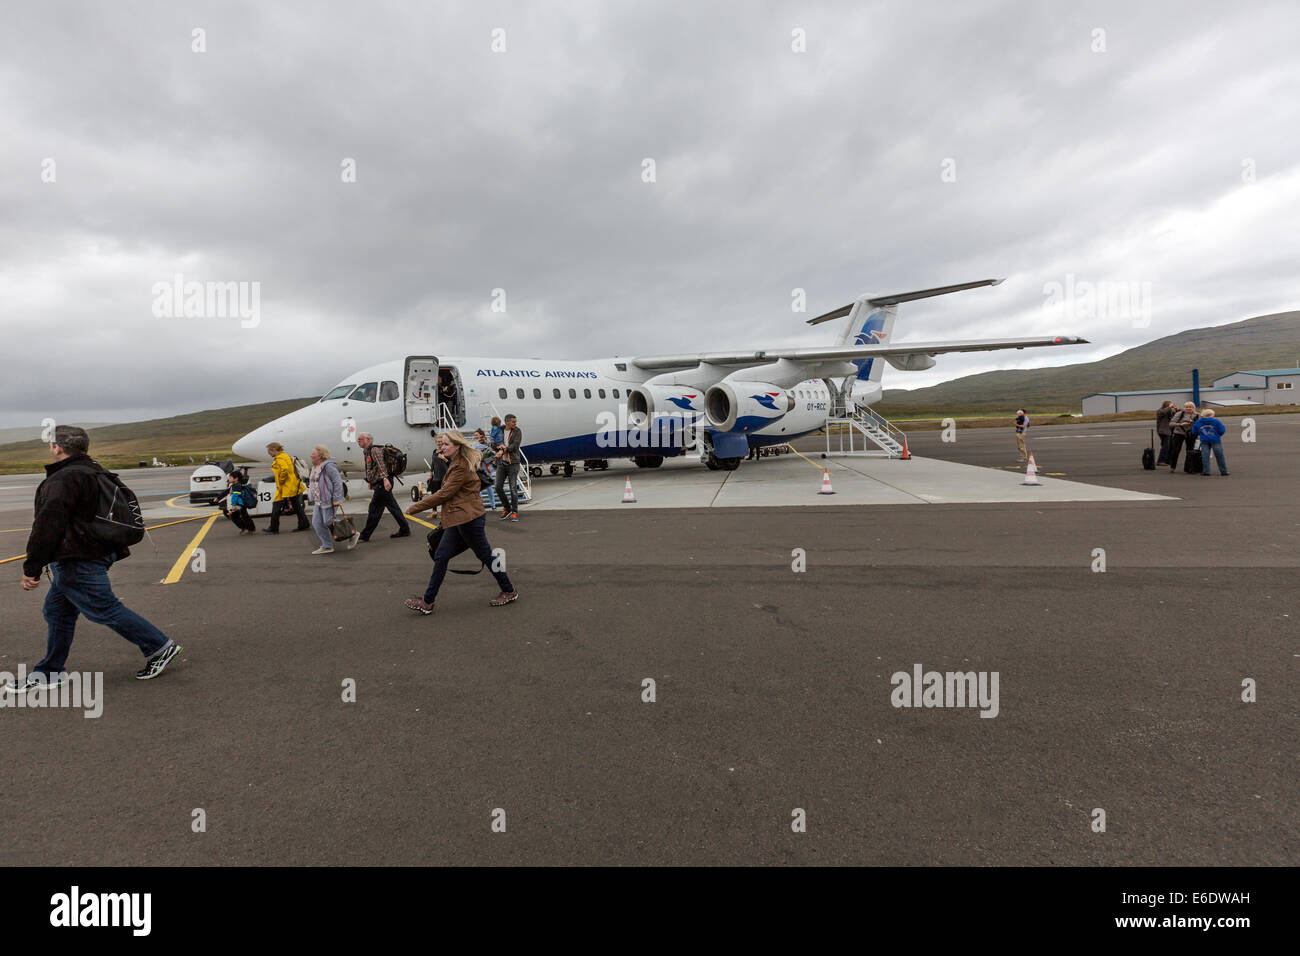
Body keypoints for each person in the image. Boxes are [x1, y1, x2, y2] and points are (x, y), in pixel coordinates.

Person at [5, 425, 181, 694]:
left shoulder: (64, 478)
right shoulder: (95, 471)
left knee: (103, 608)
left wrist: (32, 567)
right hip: (97, 552)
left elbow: (48, 524)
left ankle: (158, 646)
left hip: (77, 557)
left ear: (57, 448)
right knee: (57, 611)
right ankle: (50, 672)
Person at [403, 430, 519, 613]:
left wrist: (414, 508)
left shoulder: (461, 467)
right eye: (442, 443)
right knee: (441, 556)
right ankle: (427, 602)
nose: (442, 446)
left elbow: (444, 494)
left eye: (446, 444)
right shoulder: (456, 462)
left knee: (486, 556)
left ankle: (509, 589)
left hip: (469, 519)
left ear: (457, 446)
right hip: (460, 518)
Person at [356, 433, 411, 542]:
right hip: (379, 482)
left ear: (368, 440)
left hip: (383, 483)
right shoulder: (367, 451)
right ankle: (405, 529)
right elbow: (371, 468)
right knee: (392, 506)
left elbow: (381, 466)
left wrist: (385, 479)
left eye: (360, 439)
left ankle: (365, 535)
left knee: (374, 509)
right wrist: (371, 481)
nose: (358, 441)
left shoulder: (374, 450)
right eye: (358, 440)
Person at [307, 445, 356, 553]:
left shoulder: (328, 466)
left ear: (320, 455)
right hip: (318, 501)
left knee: (328, 521)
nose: (311, 455)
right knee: (317, 523)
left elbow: (337, 482)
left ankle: (353, 533)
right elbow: (313, 483)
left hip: (328, 499)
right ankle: (327, 546)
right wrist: (311, 496)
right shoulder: (314, 467)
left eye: (313, 454)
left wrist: (337, 498)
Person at [265, 442, 309, 533]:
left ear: (273, 450)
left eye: (269, 451)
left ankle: (274, 528)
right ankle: (304, 524)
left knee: (276, 506)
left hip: (286, 487)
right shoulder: (285, 456)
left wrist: (281, 480)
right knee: (297, 506)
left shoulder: (279, 458)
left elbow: (284, 469)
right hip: (293, 485)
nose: (268, 453)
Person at [494, 413, 522, 521]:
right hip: (502, 463)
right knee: (497, 486)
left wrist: (503, 449)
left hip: (513, 463)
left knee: (513, 488)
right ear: (507, 421)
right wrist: (497, 447)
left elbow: (515, 446)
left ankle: (514, 512)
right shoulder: (499, 430)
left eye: (515, 422)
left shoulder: (517, 431)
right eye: (513, 422)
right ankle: (507, 508)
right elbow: (494, 444)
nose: (515, 424)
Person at [215, 469, 258, 535]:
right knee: (235, 517)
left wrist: (234, 505)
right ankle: (245, 527)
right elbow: (226, 492)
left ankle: (251, 529)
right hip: (237, 505)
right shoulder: (233, 486)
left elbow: (235, 496)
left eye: (230, 477)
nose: (229, 479)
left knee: (244, 517)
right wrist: (218, 498)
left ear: (236, 479)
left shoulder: (237, 486)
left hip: (240, 504)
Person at [1193, 408, 1229, 476]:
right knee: (1220, 456)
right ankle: (1224, 471)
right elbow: (1222, 430)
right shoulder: (1216, 421)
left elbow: (1194, 431)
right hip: (1215, 440)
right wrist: (1217, 435)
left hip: (1204, 440)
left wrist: (1201, 434)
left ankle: (1206, 471)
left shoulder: (1198, 422)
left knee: (1205, 456)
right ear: (1211, 415)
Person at [1167, 402, 1200, 473]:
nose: (1188, 408)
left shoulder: (1197, 415)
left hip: (1191, 434)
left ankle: (1188, 467)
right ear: (1184, 408)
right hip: (1179, 433)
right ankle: (1173, 466)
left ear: (1193, 408)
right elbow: (1171, 424)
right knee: (1176, 450)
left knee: (1190, 451)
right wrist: (1180, 424)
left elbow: (1199, 425)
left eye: (1190, 407)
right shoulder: (1179, 414)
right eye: (1187, 407)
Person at [472, 428, 499, 510]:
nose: (475, 436)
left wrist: (485, 459)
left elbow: (493, 455)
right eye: (475, 435)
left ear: (481, 435)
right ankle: (480, 504)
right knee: (478, 486)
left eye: (476, 435)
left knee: (488, 486)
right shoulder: (474, 444)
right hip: (478, 467)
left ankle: (493, 504)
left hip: (486, 467)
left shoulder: (487, 444)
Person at [1154, 400, 1176, 466]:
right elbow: (1164, 412)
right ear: (1166, 406)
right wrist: (1170, 407)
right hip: (1163, 431)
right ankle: (1160, 461)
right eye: (1170, 405)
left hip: (1169, 431)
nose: (1171, 407)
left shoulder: (1169, 412)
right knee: (1165, 447)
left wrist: (1175, 409)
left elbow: (1175, 417)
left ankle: (1168, 460)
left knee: (1171, 446)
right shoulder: (1160, 411)